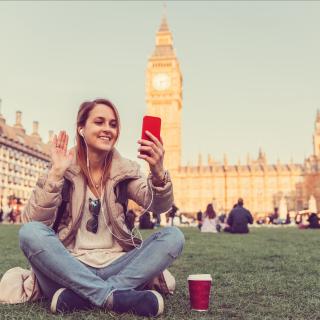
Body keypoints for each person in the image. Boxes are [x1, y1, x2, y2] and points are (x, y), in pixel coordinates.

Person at [16, 98, 184, 317]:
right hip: (69, 266)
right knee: (29, 232)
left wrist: (158, 171)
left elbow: (159, 206)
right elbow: (35, 223)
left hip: (117, 265)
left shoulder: (124, 171)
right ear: (81, 128)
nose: (107, 129)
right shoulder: (62, 168)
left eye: (113, 124)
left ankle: (82, 297)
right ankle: (114, 296)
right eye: (100, 122)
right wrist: (56, 174)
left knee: (174, 236)